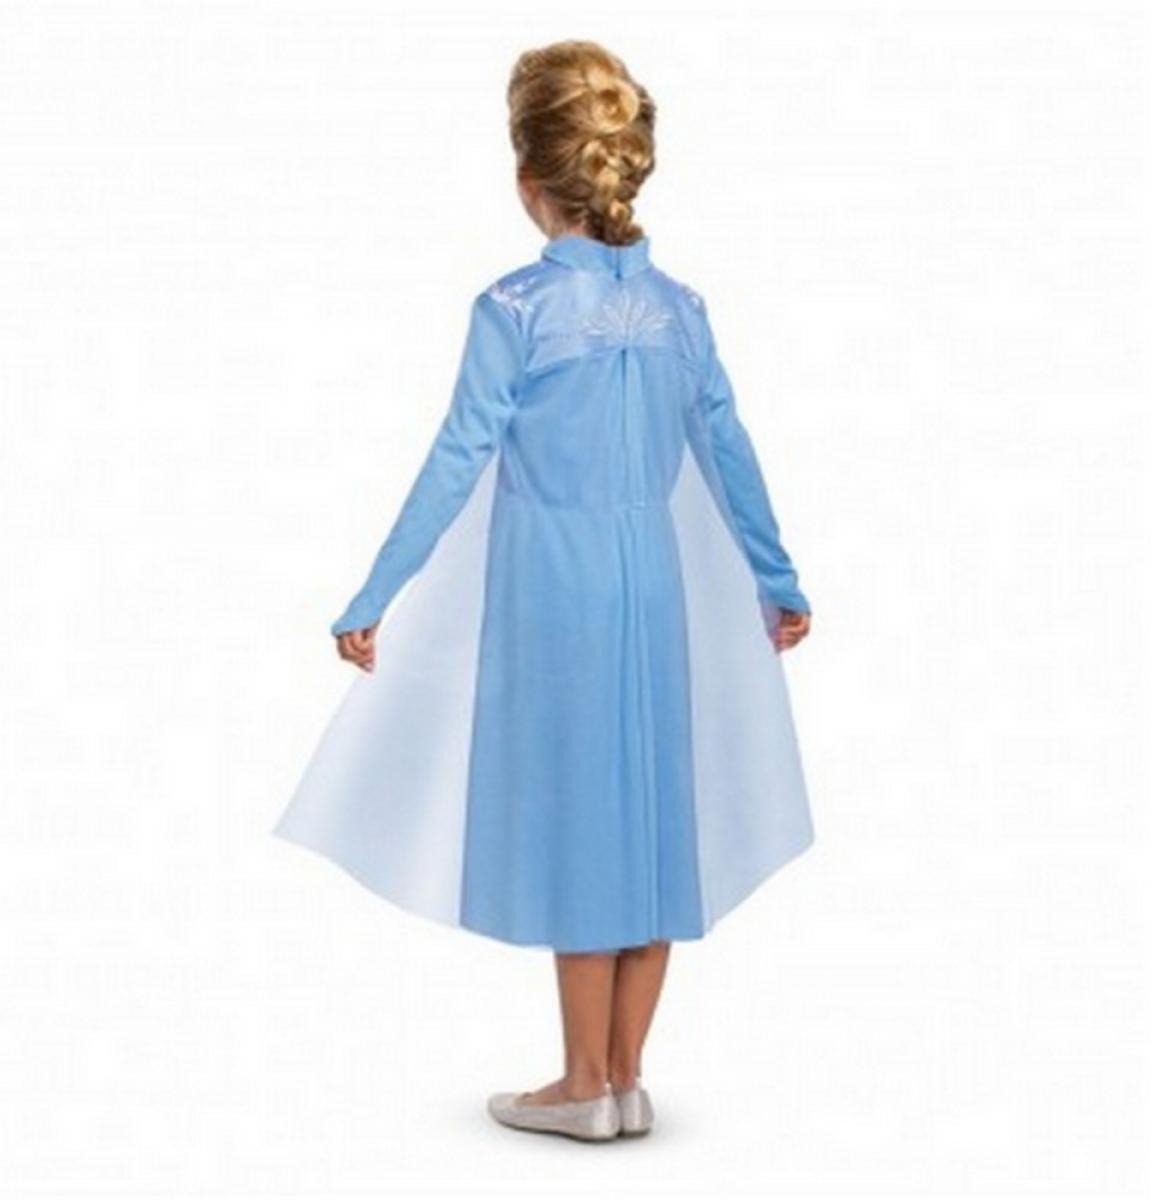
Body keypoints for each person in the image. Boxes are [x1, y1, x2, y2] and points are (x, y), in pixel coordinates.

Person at [273, 39, 815, 1142]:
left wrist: (374, 593)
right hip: (650, 586)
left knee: (583, 818)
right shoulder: (680, 310)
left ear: (529, 180)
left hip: (557, 591)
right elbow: (726, 450)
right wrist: (778, 576)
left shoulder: (515, 308)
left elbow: (457, 457)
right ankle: (627, 1077)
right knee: (651, 813)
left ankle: (581, 1083)